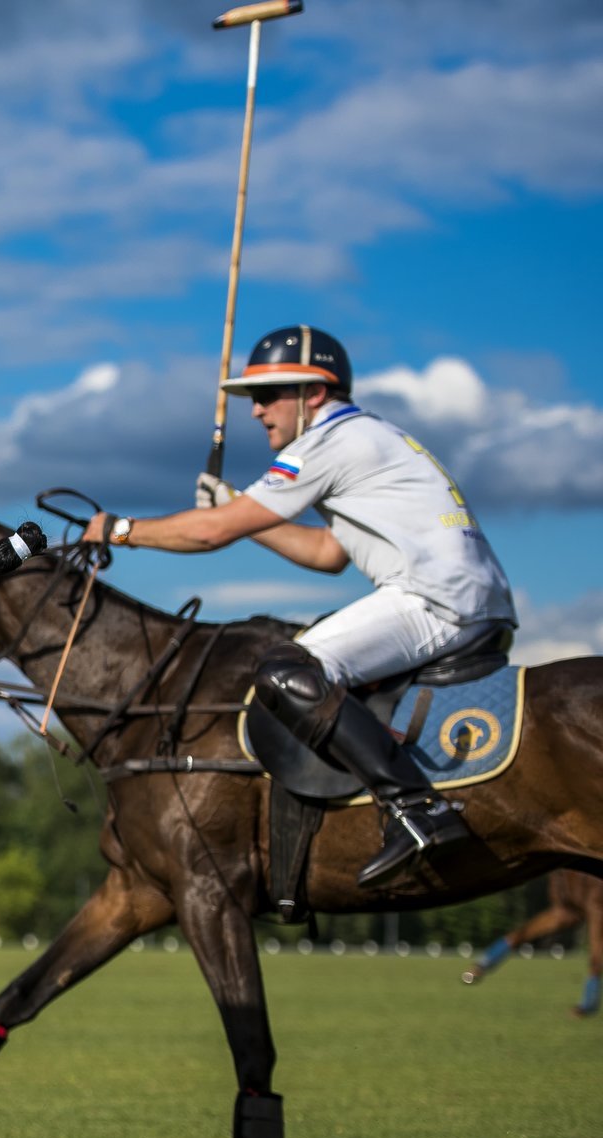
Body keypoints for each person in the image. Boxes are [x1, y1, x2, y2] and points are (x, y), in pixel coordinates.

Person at [80, 325, 515, 886]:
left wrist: (120, 528)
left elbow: (211, 534)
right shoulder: (364, 439)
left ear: (314, 392)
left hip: (438, 601)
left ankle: (414, 809)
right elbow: (327, 552)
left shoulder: (330, 441)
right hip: (468, 600)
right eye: (252, 399)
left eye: (268, 396)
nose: (257, 411)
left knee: (286, 669)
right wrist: (242, 509)